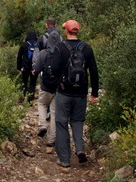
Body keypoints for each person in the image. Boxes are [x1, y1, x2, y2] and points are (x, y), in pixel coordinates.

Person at [54, 19, 99, 169]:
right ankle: (80, 149)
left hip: (64, 92)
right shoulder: (87, 48)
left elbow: (53, 69)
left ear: (66, 31)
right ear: (77, 31)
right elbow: (94, 72)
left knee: (61, 123)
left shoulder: (60, 47)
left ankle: (65, 159)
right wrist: (94, 93)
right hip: (80, 93)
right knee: (78, 121)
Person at [32, 29, 62, 148]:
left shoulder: (43, 53)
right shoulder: (62, 53)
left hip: (45, 86)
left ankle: (42, 125)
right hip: (58, 88)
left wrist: (35, 72)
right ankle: (51, 139)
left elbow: (37, 69)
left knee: (42, 104)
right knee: (54, 113)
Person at [16, 30, 38, 103]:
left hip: (25, 68)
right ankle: (30, 101)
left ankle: (21, 98)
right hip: (34, 68)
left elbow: (19, 57)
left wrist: (19, 67)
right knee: (32, 84)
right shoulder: (38, 45)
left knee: (24, 82)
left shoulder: (24, 44)